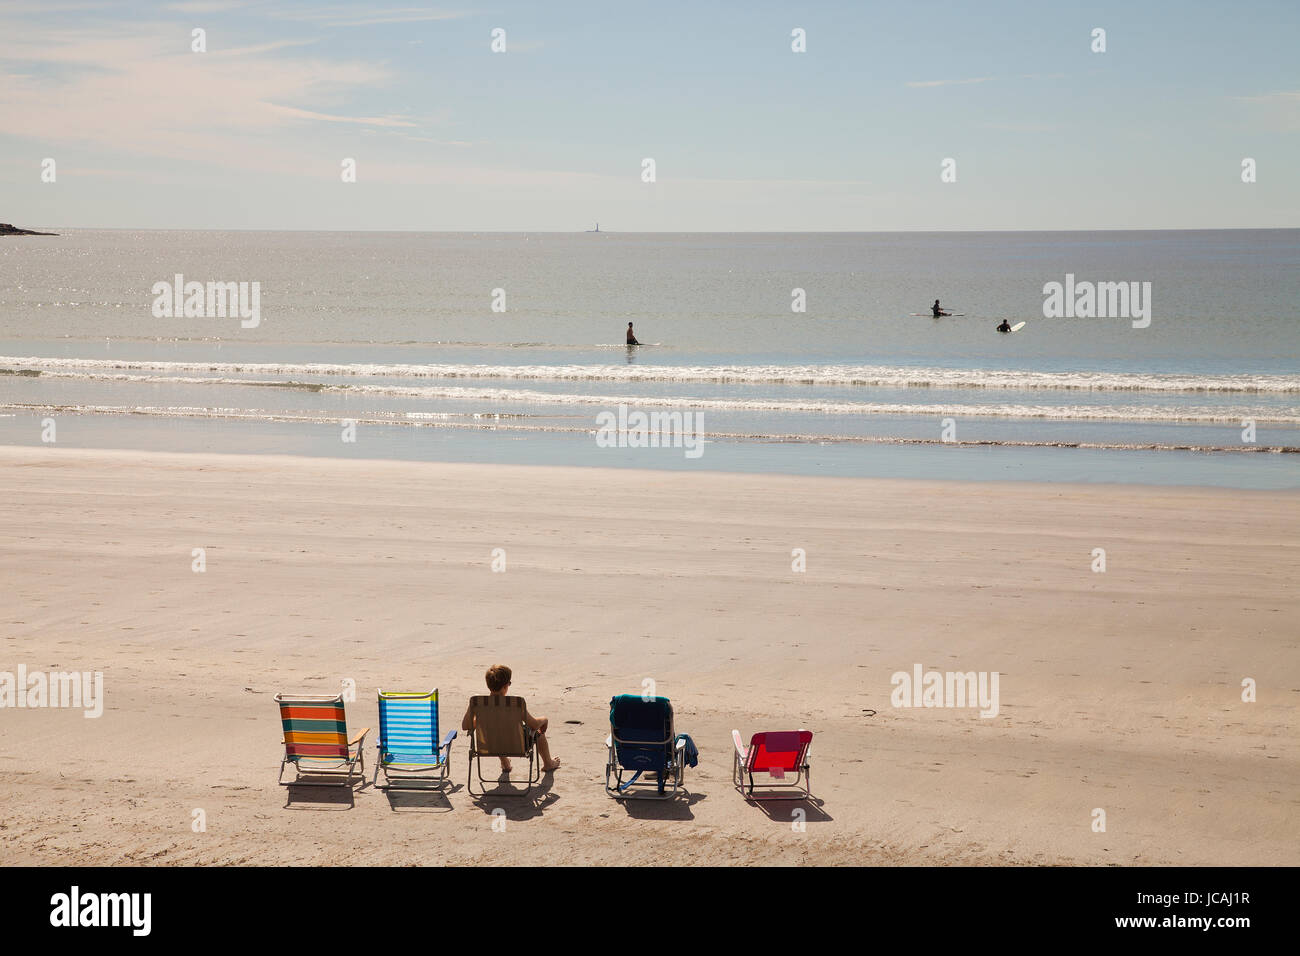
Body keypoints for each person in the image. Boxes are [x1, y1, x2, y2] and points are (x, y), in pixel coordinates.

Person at [462, 664, 561, 774]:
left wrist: (481, 721)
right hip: (516, 746)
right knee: (539, 733)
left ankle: (505, 763)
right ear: (505, 686)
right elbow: (534, 724)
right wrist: (544, 719)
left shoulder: (477, 702)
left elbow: (465, 726)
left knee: (495, 731)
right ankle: (548, 763)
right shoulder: (515, 704)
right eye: (509, 683)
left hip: (488, 744)